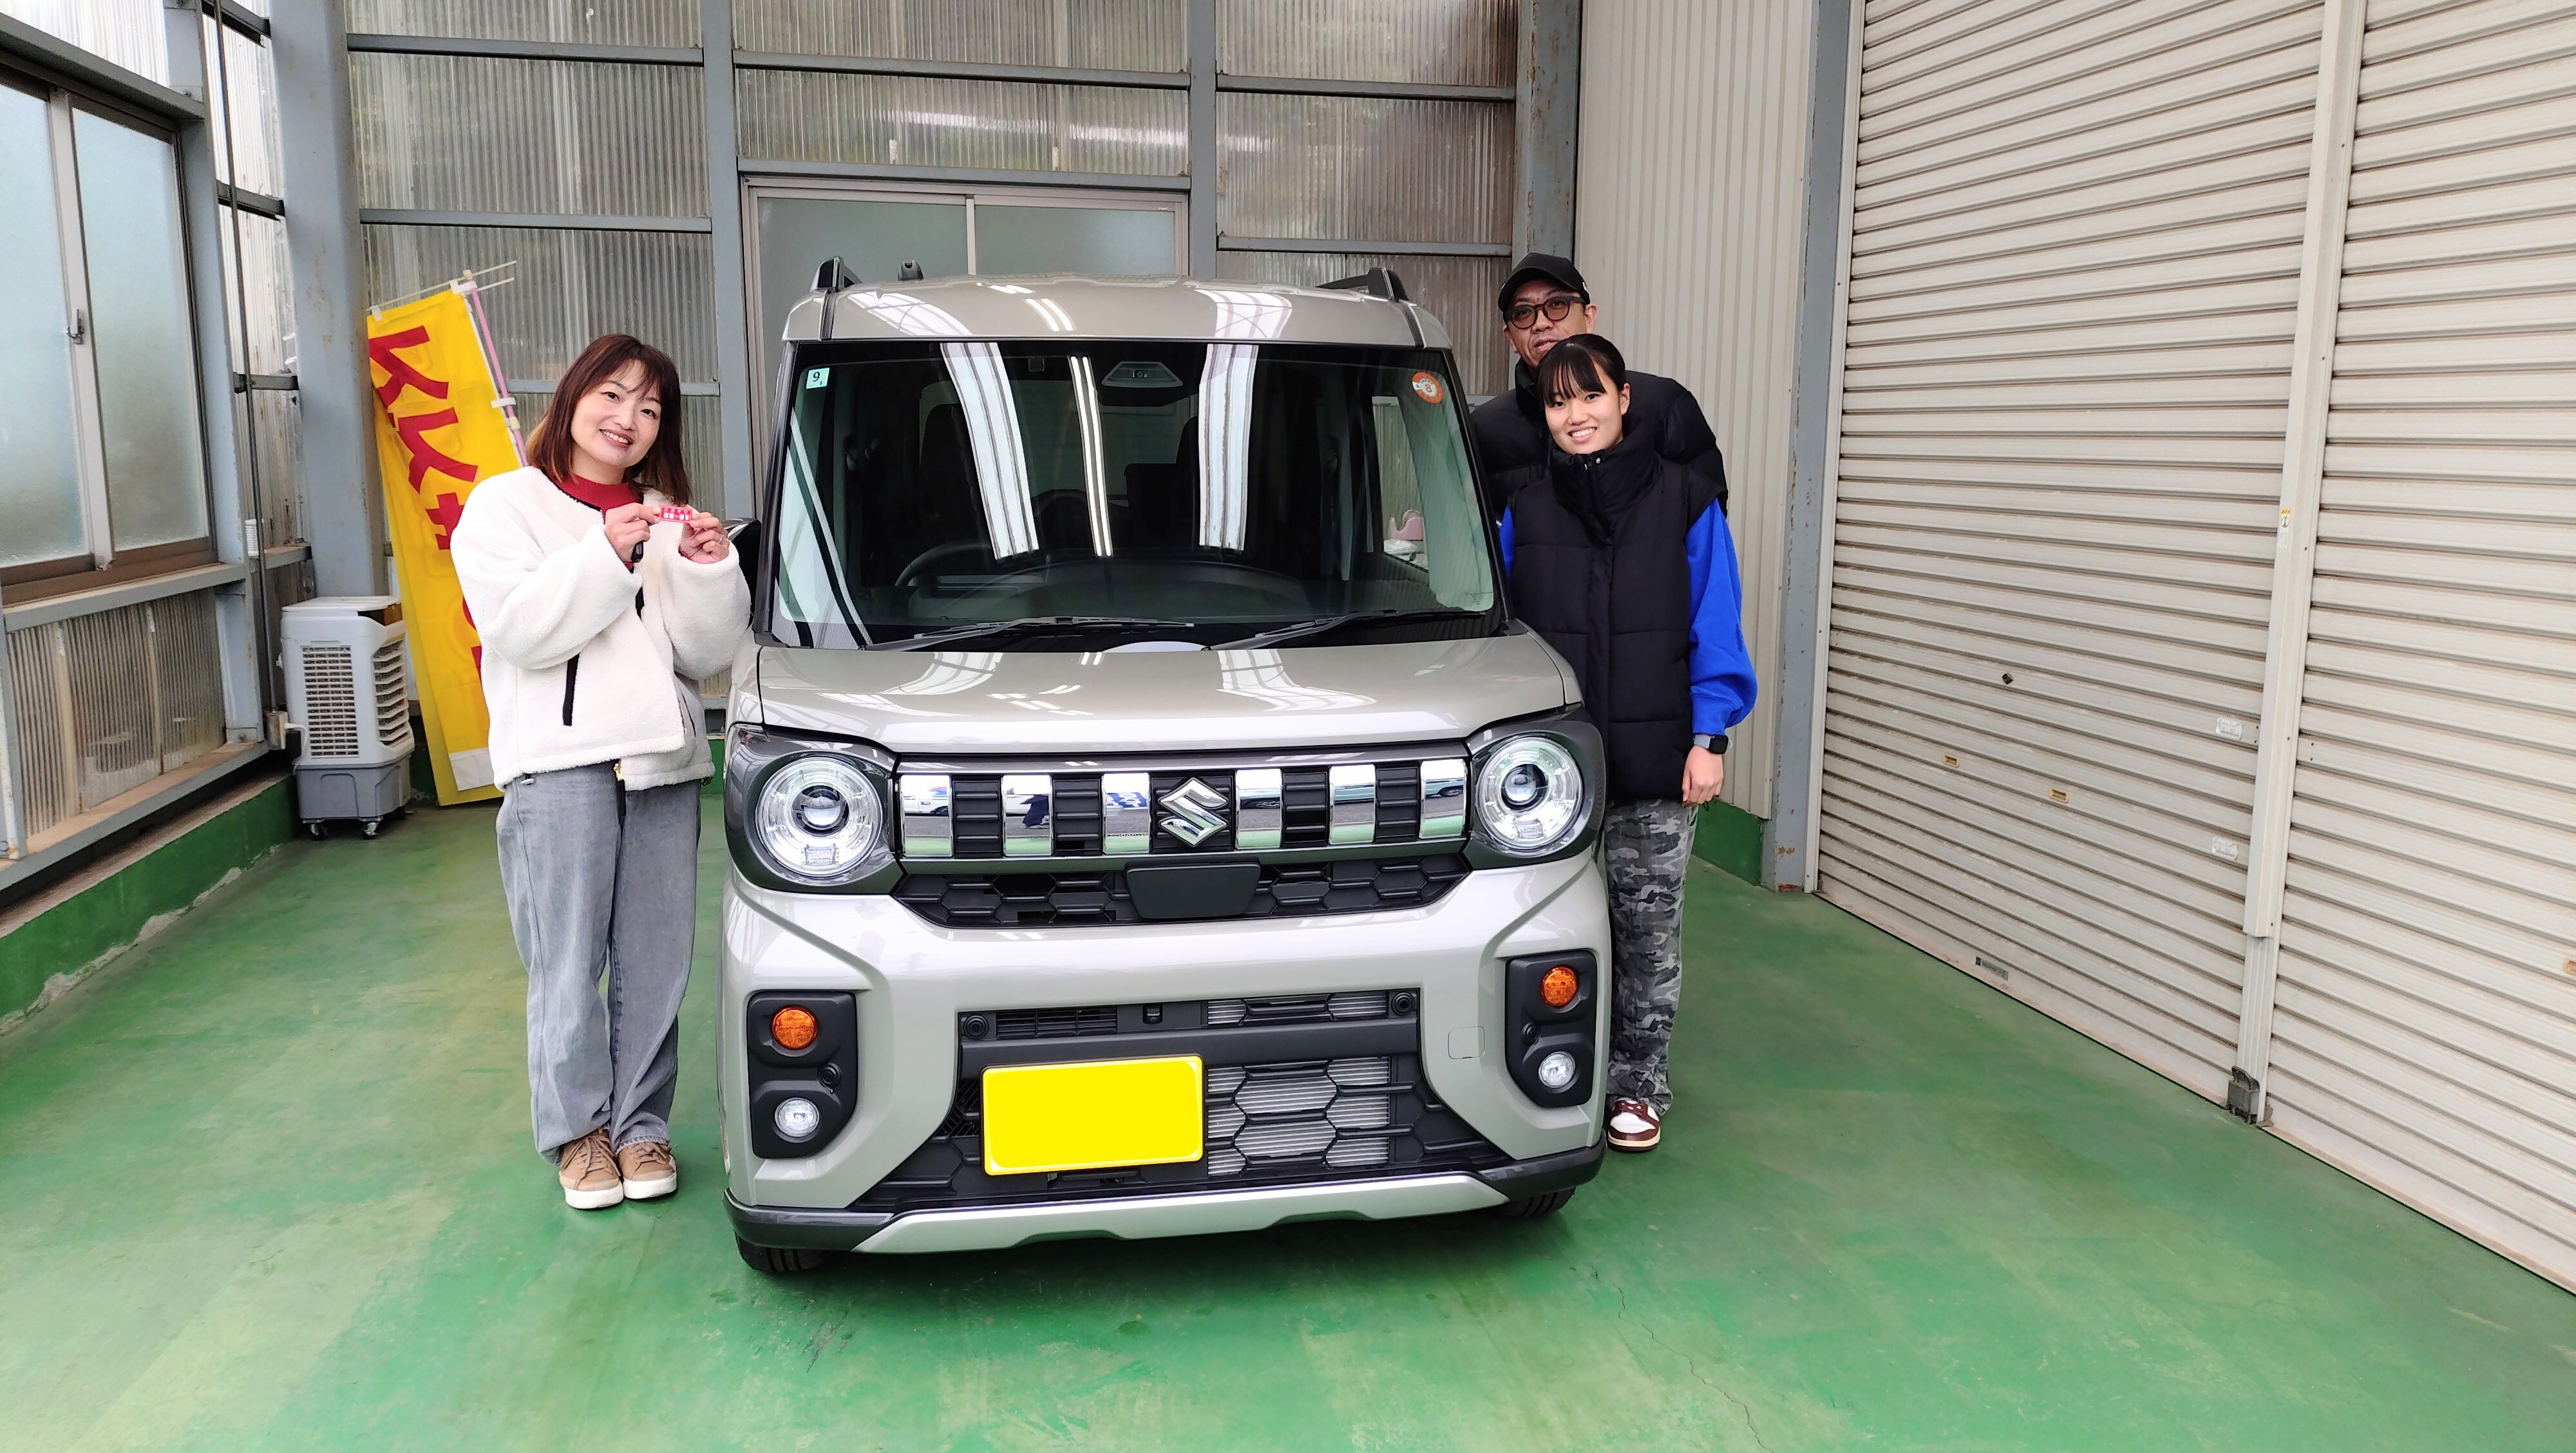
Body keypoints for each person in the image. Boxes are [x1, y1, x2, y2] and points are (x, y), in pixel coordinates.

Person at [451, 334, 750, 1210]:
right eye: (613, 395)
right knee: (566, 961)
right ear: (573, 397)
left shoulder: (661, 514)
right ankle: (578, 1133)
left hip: (661, 763)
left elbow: (703, 655)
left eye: (650, 407)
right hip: (558, 767)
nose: (628, 419)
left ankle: (641, 1126)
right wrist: (604, 556)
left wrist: (710, 572)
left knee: (657, 963)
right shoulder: (506, 505)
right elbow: (519, 630)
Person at [1495, 334, 1756, 1154]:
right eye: (1557, 401)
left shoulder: (1687, 500)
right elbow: (1492, 634)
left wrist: (1709, 737)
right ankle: (1542, 1073)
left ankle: (1637, 1085)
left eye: (1590, 395)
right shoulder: (1525, 510)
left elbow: (1717, 624)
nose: (1576, 415)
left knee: (1646, 933)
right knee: (1540, 934)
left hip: (1655, 763)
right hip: (1548, 776)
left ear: (1623, 399)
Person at [1469, 252, 1728, 524]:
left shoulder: (1664, 404)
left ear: (1589, 317)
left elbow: (1706, 520)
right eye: (1523, 313)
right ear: (1510, 337)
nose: (1541, 323)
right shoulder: (1485, 429)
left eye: (1557, 305)